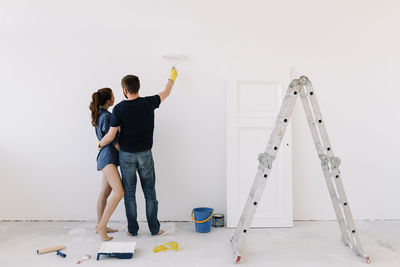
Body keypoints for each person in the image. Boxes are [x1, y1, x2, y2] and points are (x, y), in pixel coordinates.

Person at [97, 67, 177, 236]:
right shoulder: (149, 102)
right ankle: (154, 229)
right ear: (138, 88)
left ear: (125, 90)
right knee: (150, 193)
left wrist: (99, 144)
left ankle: (133, 231)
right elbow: (166, 92)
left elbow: (111, 136)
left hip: (126, 156)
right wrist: (171, 77)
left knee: (130, 195)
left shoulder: (118, 109)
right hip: (146, 155)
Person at [89, 88, 125, 241]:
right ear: (108, 100)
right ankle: (101, 226)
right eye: (113, 97)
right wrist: (123, 154)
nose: (114, 99)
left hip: (105, 157)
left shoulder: (100, 115)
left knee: (104, 193)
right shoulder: (108, 117)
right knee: (119, 192)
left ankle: (100, 224)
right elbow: (112, 138)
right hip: (109, 157)